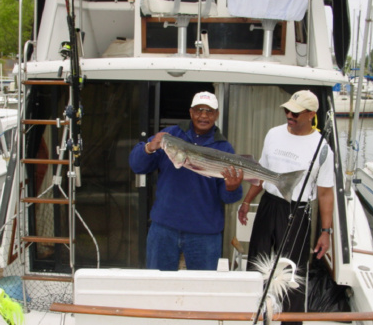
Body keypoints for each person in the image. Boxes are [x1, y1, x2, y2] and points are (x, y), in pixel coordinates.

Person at [238, 90, 334, 324]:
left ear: (311, 114)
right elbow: (262, 172)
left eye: (296, 112)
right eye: (287, 110)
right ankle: (252, 316)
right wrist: (247, 200)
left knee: (292, 274)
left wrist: (326, 231)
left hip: (298, 212)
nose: (289, 115)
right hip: (269, 205)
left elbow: (324, 193)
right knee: (256, 264)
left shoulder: (323, 149)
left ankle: (290, 321)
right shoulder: (274, 134)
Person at [129, 91, 243, 271]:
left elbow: (228, 198)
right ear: (190, 112)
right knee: (158, 285)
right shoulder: (169, 136)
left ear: (216, 115)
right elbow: (137, 165)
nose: (203, 115)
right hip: (164, 228)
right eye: (199, 110)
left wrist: (232, 188)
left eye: (209, 111)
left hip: (205, 233)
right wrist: (150, 147)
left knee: (202, 289)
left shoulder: (224, 148)